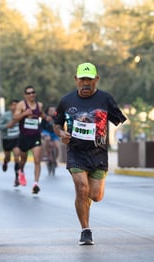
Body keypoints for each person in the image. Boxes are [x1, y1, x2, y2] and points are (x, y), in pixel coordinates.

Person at [53, 62, 127, 245]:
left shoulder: (105, 99)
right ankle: (85, 230)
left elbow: (119, 120)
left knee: (95, 196)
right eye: (82, 79)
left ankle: (86, 201)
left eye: (90, 80)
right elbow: (56, 123)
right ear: (76, 79)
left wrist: (101, 123)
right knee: (81, 188)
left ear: (96, 80)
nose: (86, 83)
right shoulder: (66, 100)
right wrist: (61, 133)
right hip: (76, 152)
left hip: (98, 154)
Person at [13, 85, 47, 194]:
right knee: (23, 160)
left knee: (37, 160)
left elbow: (42, 115)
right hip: (24, 137)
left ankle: (35, 184)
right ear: (25, 95)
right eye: (29, 93)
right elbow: (15, 118)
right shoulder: (21, 105)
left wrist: (47, 117)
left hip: (35, 136)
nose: (31, 94)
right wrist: (25, 113)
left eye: (33, 92)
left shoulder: (39, 105)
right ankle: (21, 170)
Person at [0, 99, 21, 186]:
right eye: (13, 105)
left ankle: (17, 178)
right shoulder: (6, 115)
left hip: (17, 139)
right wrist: (7, 125)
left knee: (17, 157)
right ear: (10, 106)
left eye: (17, 105)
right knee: (8, 157)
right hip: (7, 139)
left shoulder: (21, 114)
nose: (15, 107)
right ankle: (5, 161)